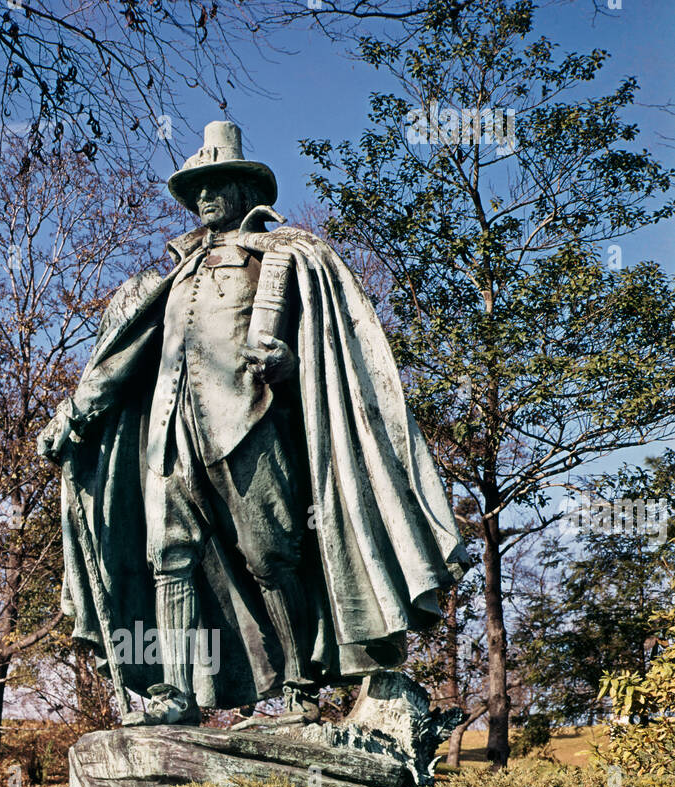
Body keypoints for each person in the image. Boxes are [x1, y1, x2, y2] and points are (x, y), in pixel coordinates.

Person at [40, 122, 469, 727]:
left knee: (271, 554)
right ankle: (177, 693)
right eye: (198, 188)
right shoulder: (173, 278)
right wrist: (76, 413)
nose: (206, 197)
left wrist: (290, 365)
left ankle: (299, 686)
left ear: (247, 190)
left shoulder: (286, 258)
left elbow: (329, 355)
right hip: (171, 431)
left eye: (218, 184)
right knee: (170, 555)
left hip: (252, 426)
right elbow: (126, 355)